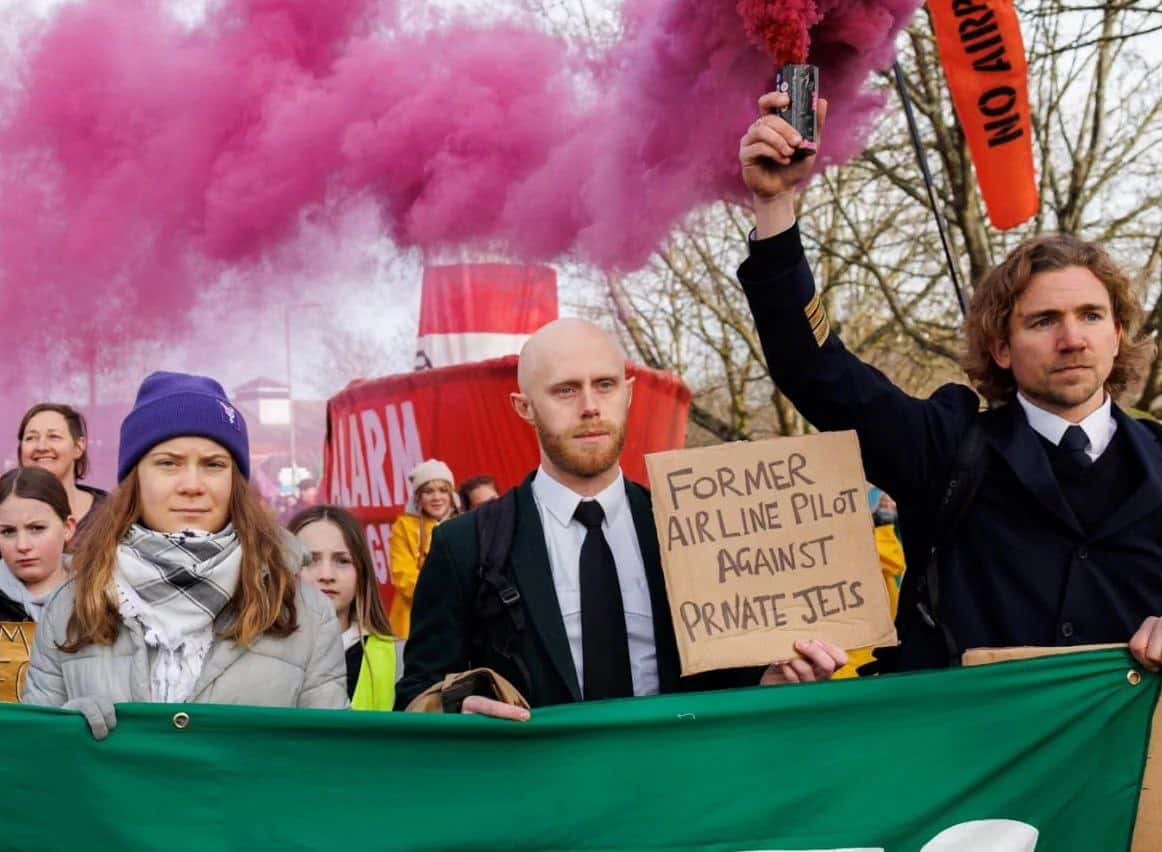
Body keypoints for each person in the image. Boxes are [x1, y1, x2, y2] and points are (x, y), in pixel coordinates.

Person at [736, 90, 1162, 672]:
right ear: (1000, 347)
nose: (1072, 339)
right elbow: (816, 371)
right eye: (1043, 321)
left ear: (1118, 333)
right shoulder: (948, 448)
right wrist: (775, 203)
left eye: (1091, 316)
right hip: (971, 756)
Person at [396, 318, 846, 717]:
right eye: (565, 389)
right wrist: (454, 709)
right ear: (524, 407)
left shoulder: (692, 527)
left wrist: (772, 682)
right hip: (537, 798)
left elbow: (724, 681)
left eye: (605, 385)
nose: (590, 406)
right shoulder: (467, 545)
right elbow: (417, 694)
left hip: (678, 796)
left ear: (628, 394)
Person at [22, 372, 347, 738]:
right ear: (135, 479)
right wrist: (62, 736)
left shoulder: (306, 614)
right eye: (168, 463)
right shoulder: (69, 608)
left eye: (213, 465)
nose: (192, 485)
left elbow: (325, 761)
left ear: (236, 482)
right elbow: (34, 763)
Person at [288, 505, 398, 710]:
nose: (326, 575)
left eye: (342, 561)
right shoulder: (259, 654)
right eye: (310, 561)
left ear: (362, 573)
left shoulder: (399, 659)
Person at [388, 459, 459, 639]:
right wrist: (442, 595)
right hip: (413, 620)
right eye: (429, 491)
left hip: (457, 619)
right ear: (418, 497)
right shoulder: (404, 526)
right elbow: (403, 575)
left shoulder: (464, 523)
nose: (437, 497)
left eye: (443, 490)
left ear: (451, 495)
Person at [17, 403, 107, 541]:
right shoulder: (5, 508)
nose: (41, 447)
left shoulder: (111, 513)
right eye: (31, 438)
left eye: (54, 436)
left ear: (78, 447)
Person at [0, 467, 75, 623]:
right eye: (8, 532)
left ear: (68, 528)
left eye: (37, 528)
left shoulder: (105, 597)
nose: (22, 545)